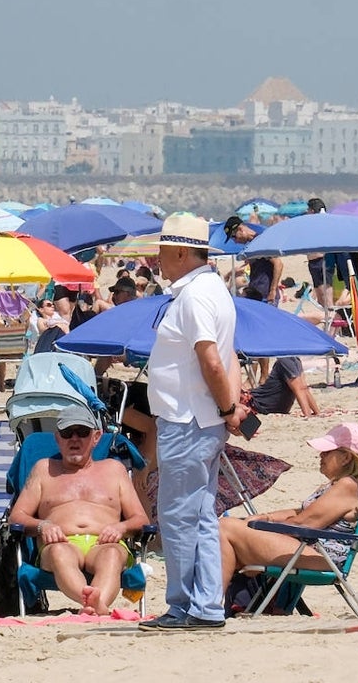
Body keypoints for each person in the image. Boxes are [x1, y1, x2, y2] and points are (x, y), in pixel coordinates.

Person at [139, 214, 246, 632]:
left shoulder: (195, 296)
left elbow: (212, 360)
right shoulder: (212, 289)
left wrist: (225, 408)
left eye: (163, 251)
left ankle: (183, 605)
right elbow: (226, 356)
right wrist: (229, 408)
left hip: (188, 419)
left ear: (181, 251)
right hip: (199, 418)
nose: (158, 259)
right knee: (200, 513)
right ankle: (205, 605)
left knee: (178, 515)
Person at [10, 406, 151, 615]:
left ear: (96, 437)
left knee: (111, 554)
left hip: (106, 542)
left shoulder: (114, 470)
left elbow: (141, 519)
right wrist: (42, 525)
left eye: (82, 433)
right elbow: (17, 517)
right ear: (58, 439)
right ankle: (95, 604)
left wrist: (121, 527)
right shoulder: (44, 469)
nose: (74, 439)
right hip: (61, 542)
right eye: (67, 433)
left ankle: (93, 605)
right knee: (60, 553)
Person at [218, 423, 358, 596]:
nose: (321, 455)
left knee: (225, 527)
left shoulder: (347, 485)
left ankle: (209, 607)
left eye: (327, 452)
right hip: (309, 548)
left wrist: (264, 531)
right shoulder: (338, 485)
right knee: (234, 533)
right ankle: (223, 604)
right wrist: (267, 518)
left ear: (346, 458)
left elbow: (304, 524)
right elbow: (302, 512)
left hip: (322, 556)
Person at [223, 216, 282, 303]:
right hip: (254, 294)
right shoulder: (250, 245)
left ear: (240, 229)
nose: (235, 241)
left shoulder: (261, 242)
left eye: (234, 237)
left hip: (266, 295)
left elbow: (278, 264)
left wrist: (272, 290)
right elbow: (254, 266)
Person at [242, 356, 320, 417]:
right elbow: (299, 389)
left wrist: (317, 412)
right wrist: (308, 415)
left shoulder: (294, 359)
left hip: (264, 404)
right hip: (258, 403)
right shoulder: (286, 360)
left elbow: (303, 388)